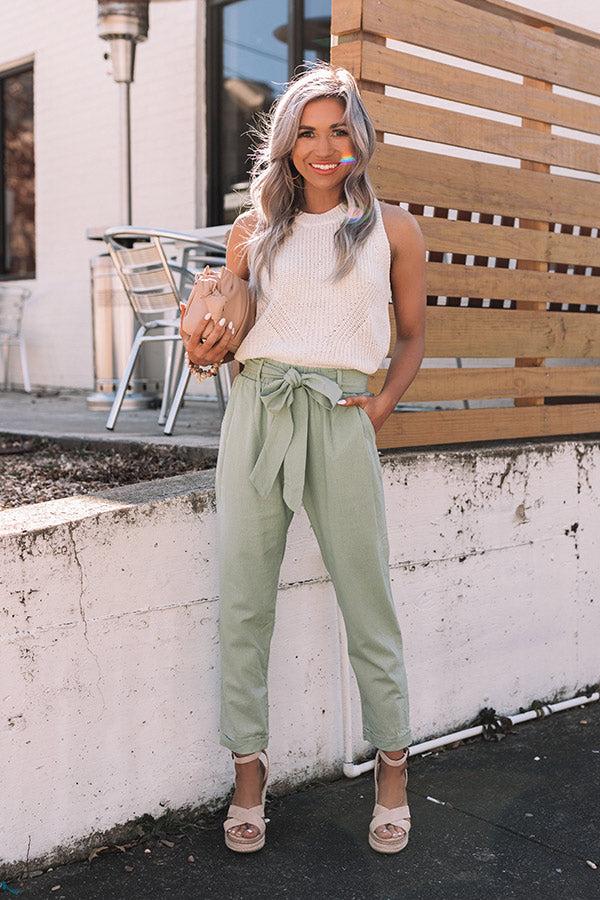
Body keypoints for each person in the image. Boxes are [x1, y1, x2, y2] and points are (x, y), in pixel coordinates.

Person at [181, 64, 426, 854]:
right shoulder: (254, 232)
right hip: (258, 413)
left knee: (368, 598)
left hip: (342, 414)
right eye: (308, 133)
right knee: (244, 600)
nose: (325, 149)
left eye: (339, 129)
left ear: (361, 136)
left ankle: (392, 765)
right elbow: (233, 324)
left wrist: (382, 405)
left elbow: (415, 337)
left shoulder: (395, 229)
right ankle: (249, 771)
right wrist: (206, 348)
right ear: (286, 144)